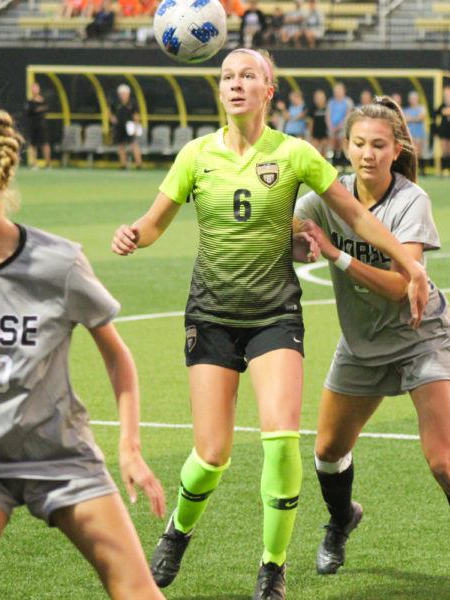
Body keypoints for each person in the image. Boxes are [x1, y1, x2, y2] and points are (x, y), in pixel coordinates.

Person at [110, 48, 429, 600]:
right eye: (227, 77)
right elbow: (155, 222)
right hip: (210, 315)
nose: (236, 85)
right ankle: (177, 534)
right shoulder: (195, 155)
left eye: (247, 77)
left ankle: (271, 569)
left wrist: (409, 263)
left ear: (268, 91)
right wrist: (133, 234)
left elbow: (356, 215)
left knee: (282, 441)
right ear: (221, 90)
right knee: (211, 454)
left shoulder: (295, 154)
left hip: (274, 316)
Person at [0, 109, 167, 600]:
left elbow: (117, 356)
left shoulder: (58, 262)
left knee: (137, 590)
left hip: (61, 457)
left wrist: (129, 448)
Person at [293, 96, 450, 600]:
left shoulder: (410, 200)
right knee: (328, 452)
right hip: (362, 345)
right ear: (344, 146)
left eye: (379, 145)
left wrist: (334, 255)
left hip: (424, 340)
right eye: (358, 144)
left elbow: (402, 286)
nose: (368, 154)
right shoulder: (325, 196)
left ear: (397, 150)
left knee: (443, 460)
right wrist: (294, 239)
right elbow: (292, 237)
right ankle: (341, 521)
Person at [110, 84, 142, 169]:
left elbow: (136, 115)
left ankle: (139, 164)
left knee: (133, 144)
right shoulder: (116, 103)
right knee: (120, 145)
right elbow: (110, 112)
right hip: (119, 127)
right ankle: (123, 164)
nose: (123, 95)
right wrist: (112, 119)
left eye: (124, 93)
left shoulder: (132, 103)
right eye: (121, 93)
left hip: (129, 127)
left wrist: (136, 127)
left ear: (128, 94)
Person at [24, 82, 52, 169]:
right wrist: (37, 109)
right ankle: (34, 163)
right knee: (33, 145)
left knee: (45, 144)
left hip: (42, 126)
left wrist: (39, 108)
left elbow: (46, 108)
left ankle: (48, 164)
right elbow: (29, 112)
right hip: (33, 126)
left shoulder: (43, 100)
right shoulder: (29, 102)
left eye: (36, 88)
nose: (35, 90)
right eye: (33, 88)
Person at [326, 82, 354, 169]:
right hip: (332, 127)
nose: (337, 92)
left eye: (339, 90)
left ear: (343, 91)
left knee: (342, 143)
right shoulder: (331, 102)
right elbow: (328, 115)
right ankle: (334, 163)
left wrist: (340, 126)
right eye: (336, 91)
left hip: (343, 127)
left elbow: (348, 115)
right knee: (333, 145)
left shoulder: (348, 101)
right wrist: (331, 126)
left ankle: (344, 163)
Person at [434, 85, 450, 174]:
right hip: (443, 131)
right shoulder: (442, 106)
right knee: (444, 151)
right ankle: (444, 169)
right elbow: (435, 116)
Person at [403, 91, 427, 167]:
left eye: (414, 98)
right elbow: (406, 119)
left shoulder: (422, 108)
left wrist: (411, 119)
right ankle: (413, 169)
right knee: (412, 152)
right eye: (411, 98)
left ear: (417, 99)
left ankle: (422, 169)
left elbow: (421, 117)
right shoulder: (407, 110)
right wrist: (415, 119)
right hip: (411, 134)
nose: (413, 100)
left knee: (419, 152)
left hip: (419, 133)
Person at [309, 88, 329, 157]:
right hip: (315, 133)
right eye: (317, 98)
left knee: (324, 150)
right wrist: (310, 134)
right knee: (314, 150)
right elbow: (311, 122)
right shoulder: (313, 108)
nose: (319, 99)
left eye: (320, 97)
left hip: (325, 133)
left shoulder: (327, 107)